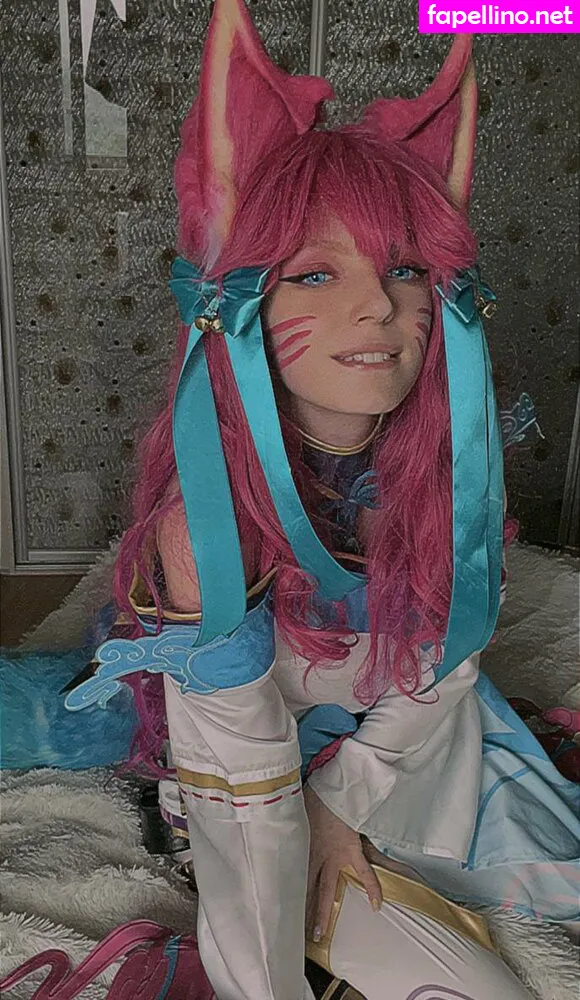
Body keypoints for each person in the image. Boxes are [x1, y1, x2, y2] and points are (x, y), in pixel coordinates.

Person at [65, 3, 579, 998]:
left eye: (404, 269)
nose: (378, 306)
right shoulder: (205, 532)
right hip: (247, 785)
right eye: (312, 273)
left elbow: (444, 670)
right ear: (235, 304)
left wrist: (343, 809)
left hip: (393, 763)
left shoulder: (445, 483)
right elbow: (241, 799)